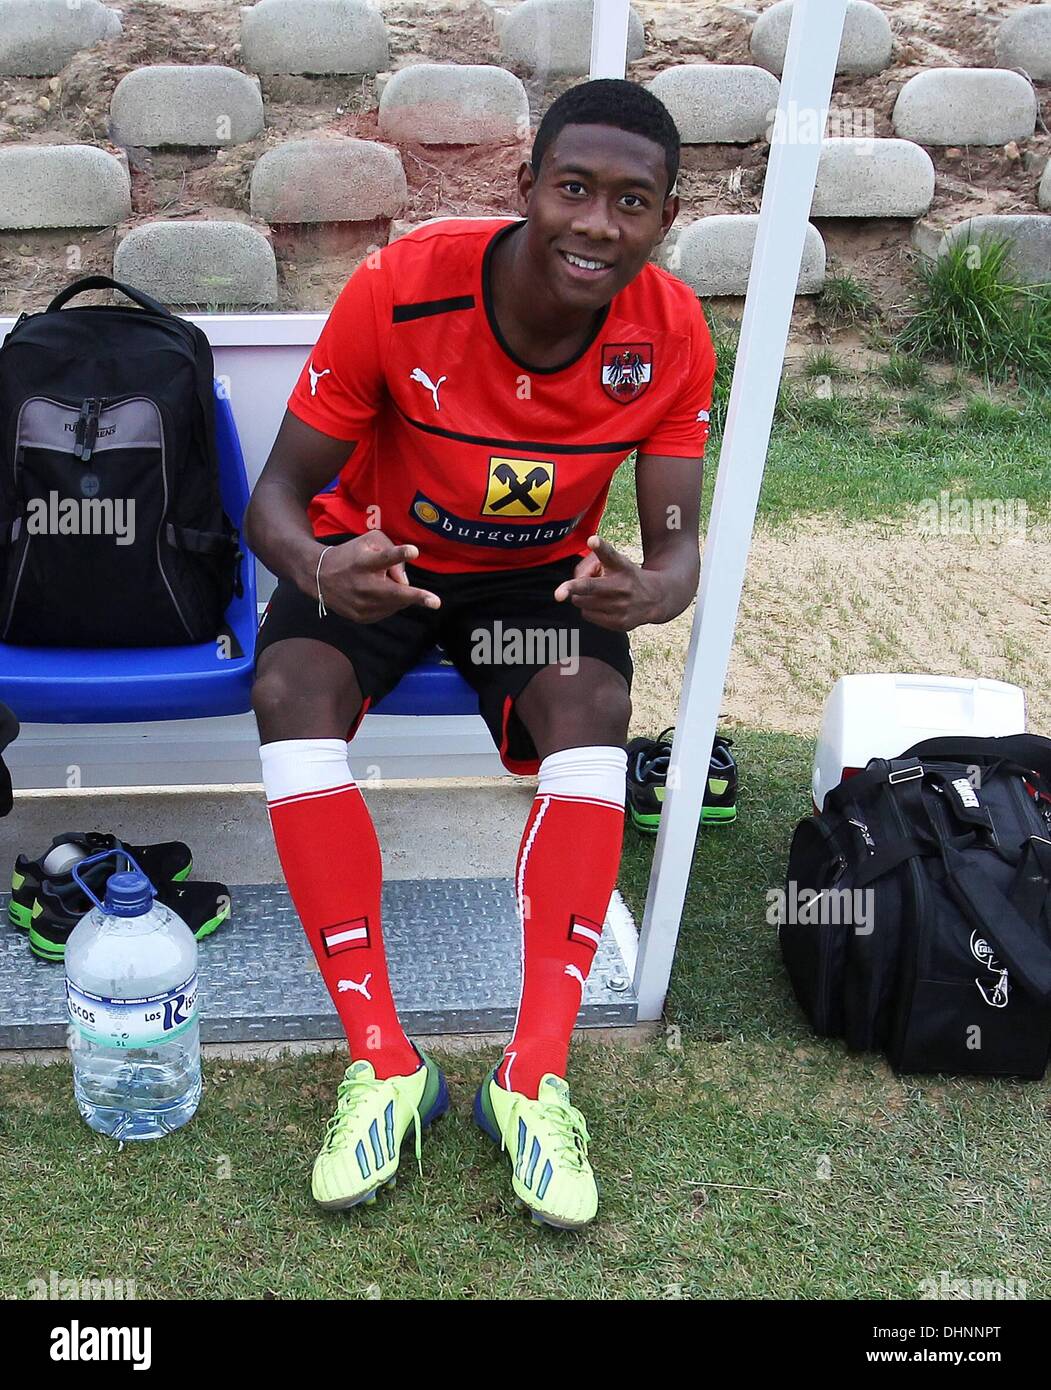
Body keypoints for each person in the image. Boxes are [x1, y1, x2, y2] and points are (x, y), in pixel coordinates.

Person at [243, 77, 715, 1230]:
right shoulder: (399, 286)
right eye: (574, 189)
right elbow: (275, 500)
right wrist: (319, 568)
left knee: (592, 713)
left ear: (663, 218)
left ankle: (531, 1078)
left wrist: (647, 591)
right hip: (385, 556)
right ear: (526, 188)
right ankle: (386, 1063)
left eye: (632, 201)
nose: (597, 223)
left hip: (539, 575)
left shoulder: (672, 332)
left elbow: (672, 545)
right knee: (289, 683)